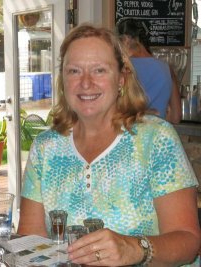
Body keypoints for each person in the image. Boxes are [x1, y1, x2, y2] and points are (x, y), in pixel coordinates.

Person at [17, 24, 200, 266]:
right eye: (74, 71)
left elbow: (188, 242)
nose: (85, 82)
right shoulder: (45, 148)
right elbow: (30, 241)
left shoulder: (156, 139)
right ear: (63, 81)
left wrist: (134, 249)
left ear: (122, 79)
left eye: (99, 70)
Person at [116, 18, 182, 123]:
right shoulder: (167, 69)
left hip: (130, 134)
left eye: (118, 42)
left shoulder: (124, 69)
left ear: (126, 40)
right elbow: (175, 117)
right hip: (158, 136)